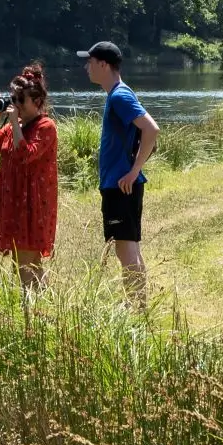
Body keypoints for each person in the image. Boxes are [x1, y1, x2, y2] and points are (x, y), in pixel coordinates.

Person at [79, 41, 159, 305]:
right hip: (120, 184)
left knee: (125, 248)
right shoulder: (117, 94)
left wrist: (134, 171)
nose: (86, 67)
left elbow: (151, 130)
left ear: (103, 64)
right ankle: (138, 304)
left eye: (90, 62)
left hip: (121, 185)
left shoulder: (119, 96)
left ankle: (137, 307)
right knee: (127, 246)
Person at [0, 62, 58, 291]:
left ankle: (35, 310)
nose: (16, 105)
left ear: (38, 102)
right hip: (14, 202)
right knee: (20, 263)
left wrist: (14, 122)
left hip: (33, 204)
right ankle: (40, 307)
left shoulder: (46, 127)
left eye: (21, 100)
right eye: (14, 99)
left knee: (27, 263)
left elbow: (25, 154)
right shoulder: (14, 127)